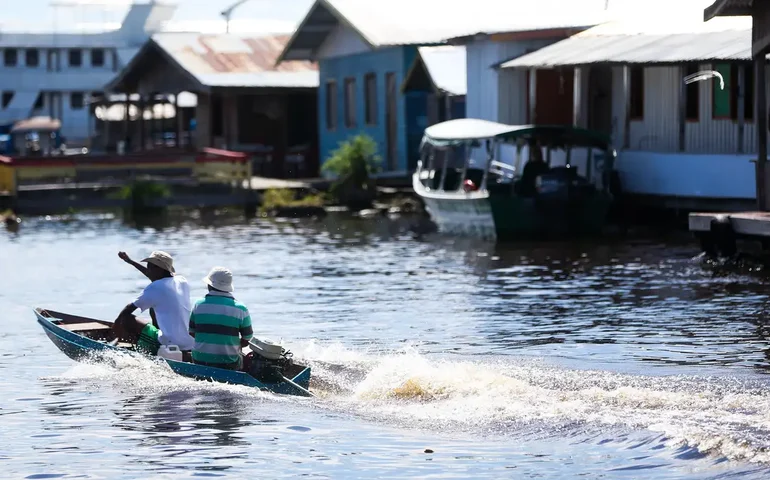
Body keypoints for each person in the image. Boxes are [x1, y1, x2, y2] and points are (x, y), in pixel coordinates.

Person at [113, 250, 194, 355]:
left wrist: (115, 328)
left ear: (158, 269)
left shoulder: (155, 287)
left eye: (149, 267)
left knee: (126, 318)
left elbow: (128, 309)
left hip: (168, 342)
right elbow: (154, 276)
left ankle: (146, 348)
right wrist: (130, 261)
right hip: (188, 342)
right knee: (153, 306)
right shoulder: (182, 281)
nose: (148, 270)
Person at [189, 267, 253, 371]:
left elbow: (192, 332)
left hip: (199, 360)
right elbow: (247, 338)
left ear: (209, 285)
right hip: (228, 363)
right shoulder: (241, 308)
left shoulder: (198, 305)